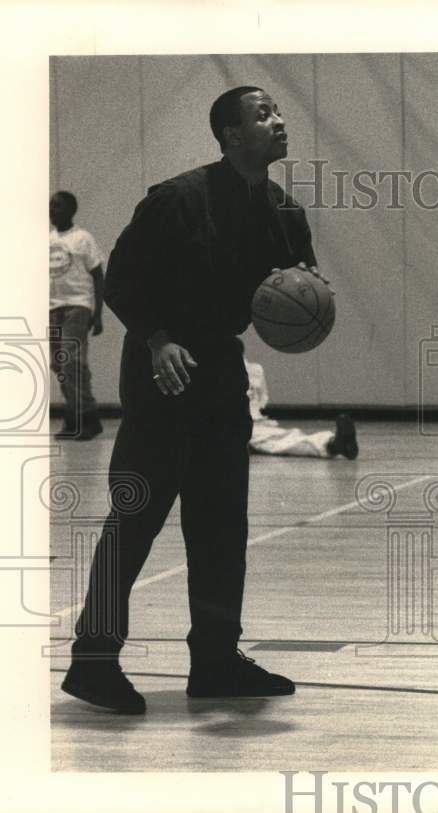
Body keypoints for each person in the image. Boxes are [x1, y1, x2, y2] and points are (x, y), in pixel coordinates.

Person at [62, 86, 323, 714]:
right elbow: (121, 279)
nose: (279, 121)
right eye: (263, 115)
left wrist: (311, 301)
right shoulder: (177, 199)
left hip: (219, 375)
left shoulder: (284, 213)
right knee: (133, 521)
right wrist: (157, 340)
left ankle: (215, 661)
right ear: (231, 135)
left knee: (221, 526)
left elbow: (297, 286)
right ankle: (92, 662)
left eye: (278, 112)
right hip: (162, 372)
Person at [241, 339, 358, 459]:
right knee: (278, 439)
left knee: (284, 437)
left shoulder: (254, 370)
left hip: (249, 424)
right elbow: (261, 401)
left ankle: (334, 444)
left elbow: (260, 401)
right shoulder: (250, 370)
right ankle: (332, 445)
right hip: (235, 426)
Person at [49, 191, 105, 440]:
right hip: (53, 309)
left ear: (71, 210)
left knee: (73, 361)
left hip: (77, 306)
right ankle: (73, 419)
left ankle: (88, 418)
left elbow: (97, 275)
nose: (52, 209)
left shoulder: (82, 238)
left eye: (58, 205)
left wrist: (98, 312)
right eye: (51, 205)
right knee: (59, 364)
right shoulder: (47, 239)